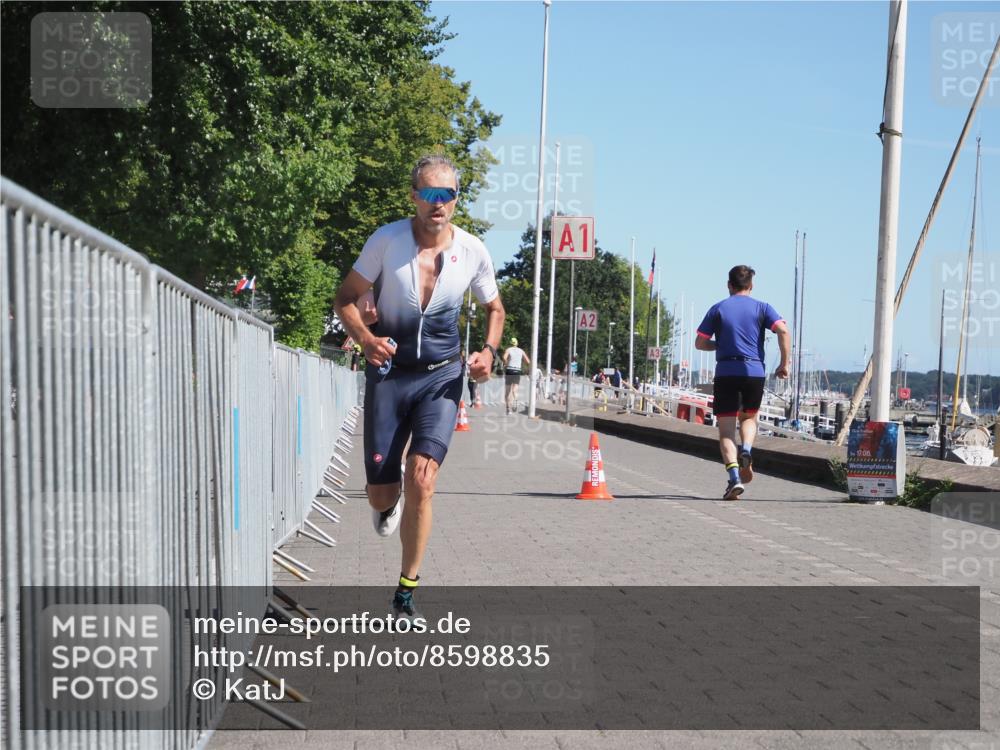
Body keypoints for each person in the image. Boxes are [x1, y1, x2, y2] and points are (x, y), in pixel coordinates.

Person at [333, 154, 505, 616]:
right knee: (383, 492)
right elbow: (345, 298)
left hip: (441, 378)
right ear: (414, 196)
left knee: (423, 478)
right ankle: (386, 506)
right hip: (389, 376)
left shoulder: (473, 251)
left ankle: (406, 588)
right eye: (429, 194)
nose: (438, 203)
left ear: (456, 200)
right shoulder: (386, 241)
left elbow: (495, 310)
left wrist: (487, 353)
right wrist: (366, 339)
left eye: (446, 194)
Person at [695, 265, 790, 500]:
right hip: (753, 371)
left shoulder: (718, 309)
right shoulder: (762, 307)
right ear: (751, 285)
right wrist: (784, 364)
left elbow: (700, 342)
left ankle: (734, 477)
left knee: (726, 430)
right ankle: (746, 448)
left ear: (729, 284)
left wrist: (720, 344)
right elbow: (783, 331)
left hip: (726, 370)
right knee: (749, 418)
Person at [503, 337, 529, 415]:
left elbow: (504, 357)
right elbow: (528, 361)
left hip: (509, 370)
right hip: (517, 371)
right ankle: (516, 400)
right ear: (517, 343)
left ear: (510, 343)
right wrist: (521, 363)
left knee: (508, 391)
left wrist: (506, 363)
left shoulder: (508, 350)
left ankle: (508, 409)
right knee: (515, 390)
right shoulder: (521, 351)